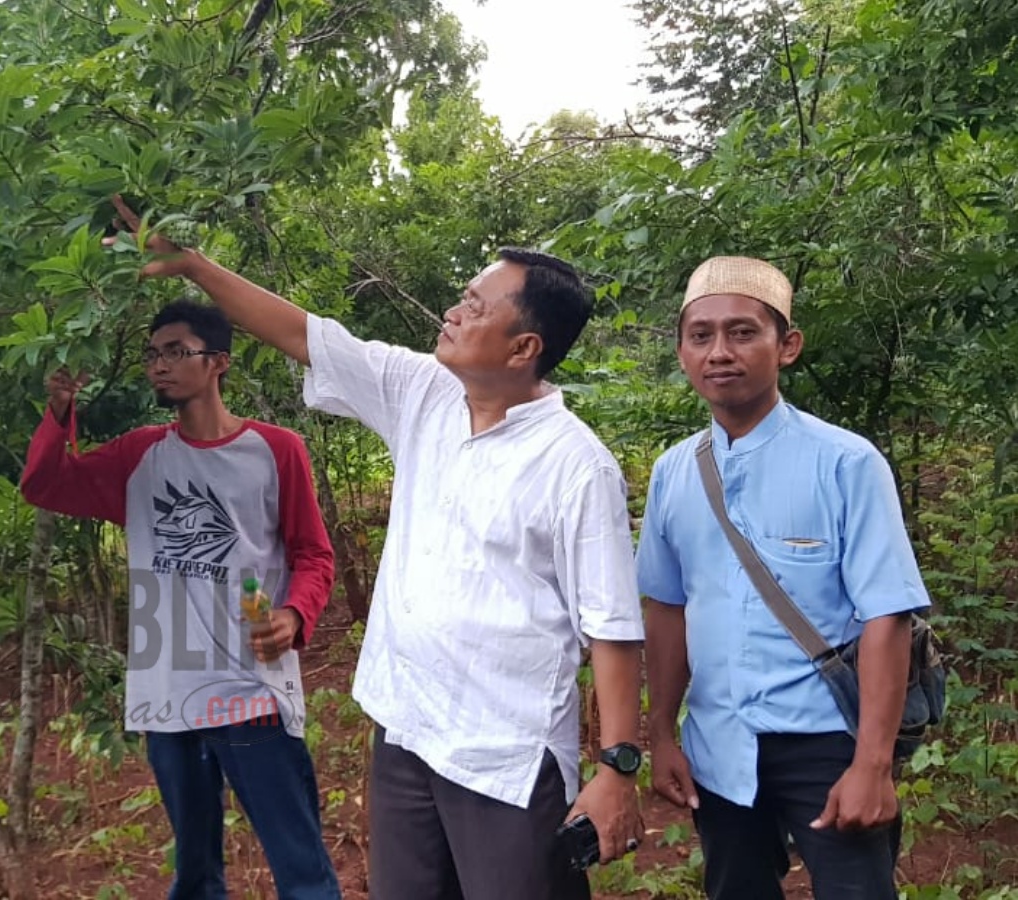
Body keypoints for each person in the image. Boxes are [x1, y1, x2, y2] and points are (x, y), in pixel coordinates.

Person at [106, 197, 646, 899]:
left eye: (475, 307)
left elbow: (611, 626)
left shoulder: (577, 464)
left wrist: (617, 769)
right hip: (405, 729)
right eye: (462, 297)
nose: (452, 313)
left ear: (524, 349)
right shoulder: (424, 392)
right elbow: (307, 335)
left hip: (503, 757)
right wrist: (193, 266)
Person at [19, 299, 342, 900]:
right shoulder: (138, 456)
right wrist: (60, 412)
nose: (159, 365)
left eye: (175, 351)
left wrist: (295, 613)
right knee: (194, 876)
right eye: (152, 353)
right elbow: (44, 485)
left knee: (301, 871)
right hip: (167, 696)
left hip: (252, 691)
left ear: (218, 362)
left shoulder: (277, 450)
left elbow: (313, 554)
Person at [637, 256, 930, 900]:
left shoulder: (847, 463)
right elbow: (666, 607)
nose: (720, 352)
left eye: (743, 332)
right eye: (701, 335)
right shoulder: (674, 473)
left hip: (826, 740)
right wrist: (660, 733)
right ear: (682, 350)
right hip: (718, 740)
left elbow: (888, 616)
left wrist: (872, 765)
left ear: (786, 346)